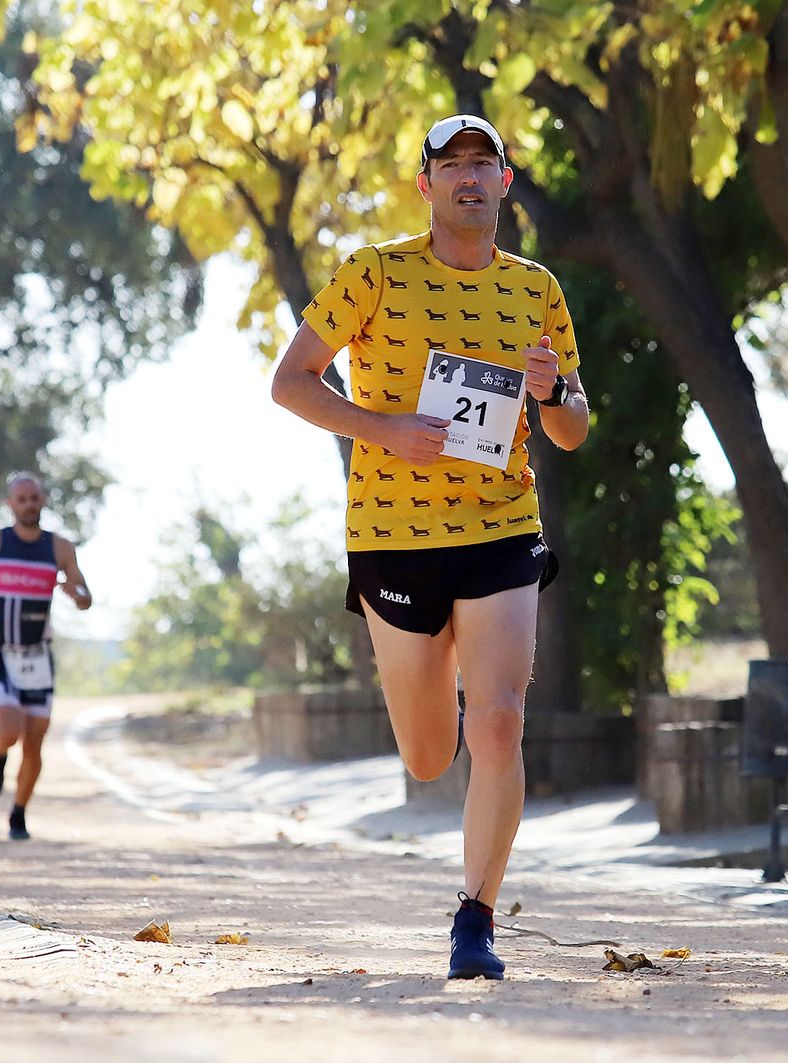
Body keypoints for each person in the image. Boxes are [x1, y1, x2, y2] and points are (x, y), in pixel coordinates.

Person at [271, 114, 590, 980]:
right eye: (451, 166)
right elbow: (289, 381)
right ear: (426, 185)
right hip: (394, 536)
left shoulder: (536, 289)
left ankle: (475, 918)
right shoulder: (374, 273)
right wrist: (384, 428)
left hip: (501, 526)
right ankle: (438, 686)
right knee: (428, 755)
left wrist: (553, 387)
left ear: (505, 182)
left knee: (498, 723)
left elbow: (571, 429)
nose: (469, 178)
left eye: (483, 164)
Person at [0, 472, 92, 841]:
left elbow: (85, 594)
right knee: (9, 730)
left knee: (34, 742)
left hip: (38, 657)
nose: (29, 504)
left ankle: (19, 814)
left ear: (43, 500)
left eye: (34, 498)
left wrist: (76, 595)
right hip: (1, 653)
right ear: (10, 505)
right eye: (22, 499)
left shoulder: (59, 548)